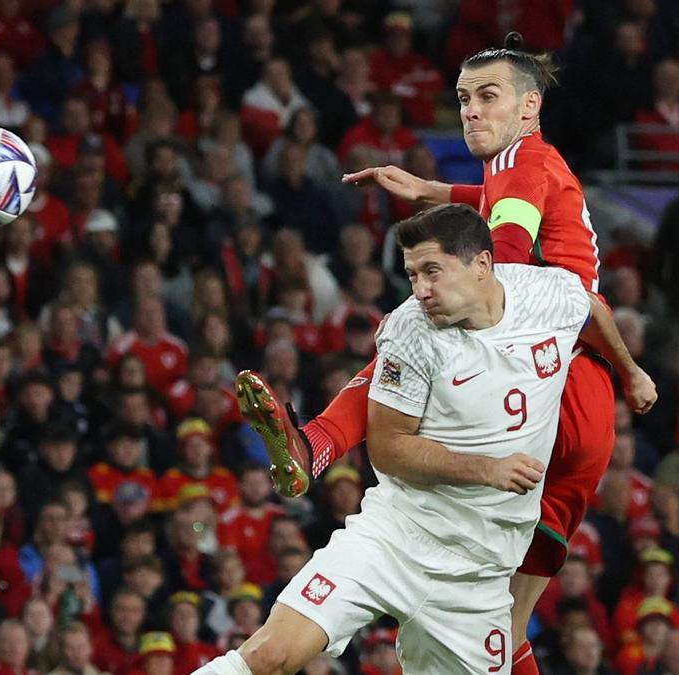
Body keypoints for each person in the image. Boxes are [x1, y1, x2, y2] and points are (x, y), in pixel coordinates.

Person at [238, 35, 659, 674]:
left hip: (542, 389)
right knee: (503, 627)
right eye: (463, 99)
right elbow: (508, 213)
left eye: (488, 97)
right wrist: (433, 190)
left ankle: (316, 444)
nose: (471, 112)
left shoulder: (520, 167)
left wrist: (448, 277)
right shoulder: (531, 163)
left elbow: (507, 256)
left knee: (418, 334)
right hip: (582, 412)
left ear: (529, 106)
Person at [199, 204, 639, 674]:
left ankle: (315, 444)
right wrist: (485, 468)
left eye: (432, 271)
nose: (420, 291)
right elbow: (389, 449)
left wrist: (632, 374)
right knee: (270, 655)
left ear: (482, 266)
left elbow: (591, 309)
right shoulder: (409, 331)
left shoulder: (548, 295)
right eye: (411, 275)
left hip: (479, 578)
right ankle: (315, 444)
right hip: (395, 539)